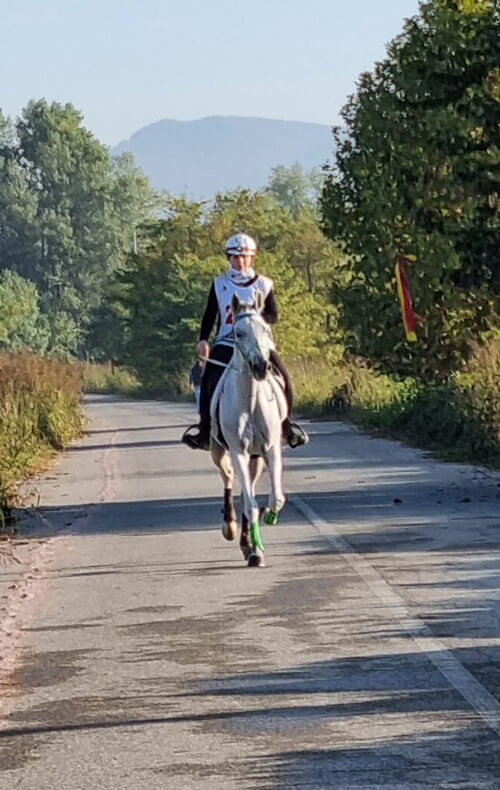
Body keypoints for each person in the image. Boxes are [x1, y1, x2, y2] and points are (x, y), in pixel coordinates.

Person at [182, 232, 308, 451]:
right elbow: (210, 314)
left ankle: (287, 426)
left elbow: (273, 315)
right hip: (227, 341)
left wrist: (254, 320)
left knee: (284, 378)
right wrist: (203, 339)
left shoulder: (264, 284)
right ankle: (204, 430)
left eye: (245, 257)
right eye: (236, 258)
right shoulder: (219, 284)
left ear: (252, 258)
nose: (241, 262)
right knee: (209, 379)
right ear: (229, 259)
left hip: (259, 343)